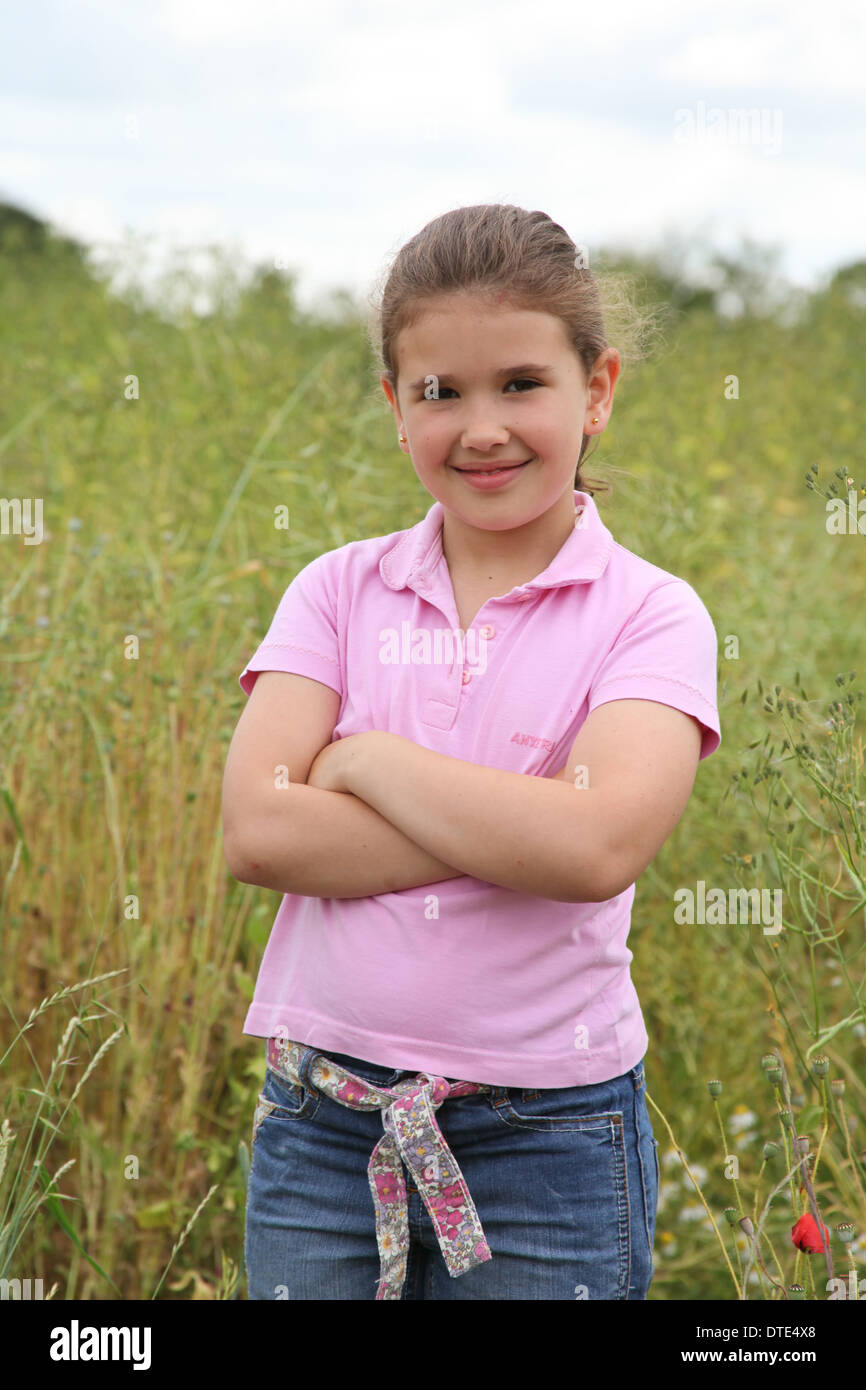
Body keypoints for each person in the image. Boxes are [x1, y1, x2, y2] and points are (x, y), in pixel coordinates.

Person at [222, 203, 721, 1301]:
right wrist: (513, 825)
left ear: (596, 390)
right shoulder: (337, 589)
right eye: (439, 392)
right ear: (393, 407)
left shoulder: (650, 614)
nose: (480, 426)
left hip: (546, 1133)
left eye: (521, 384)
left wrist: (362, 765)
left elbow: (593, 850)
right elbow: (258, 828)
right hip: (324, 1120)